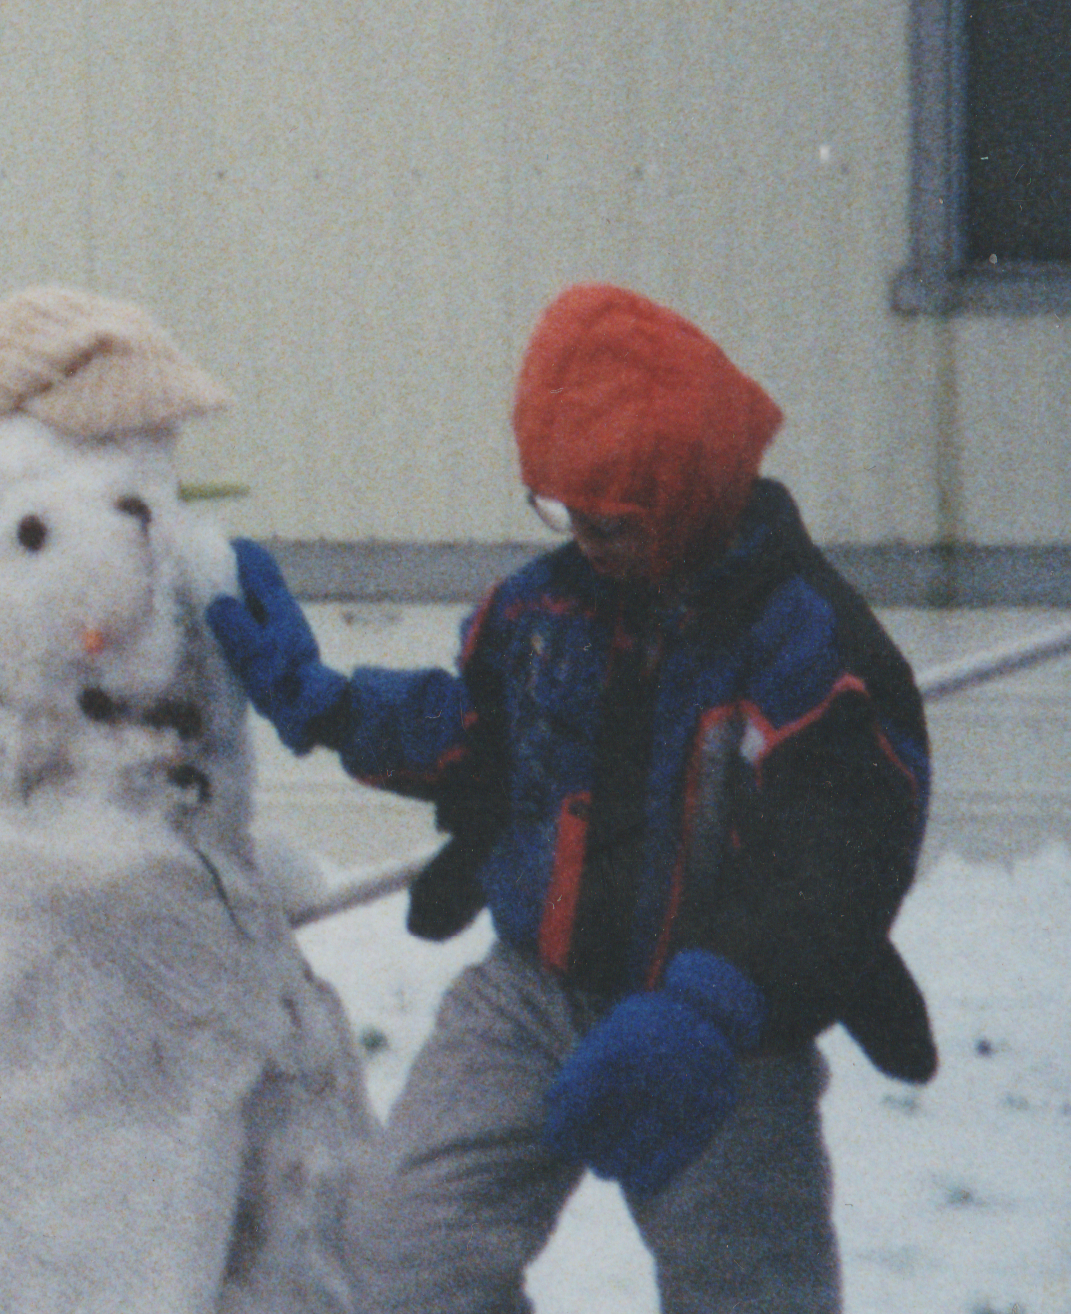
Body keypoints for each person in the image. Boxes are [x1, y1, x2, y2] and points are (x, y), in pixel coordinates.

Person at [204, 282, 934, 1314]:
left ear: (691, 493)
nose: (584, 539)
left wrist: (714, 1004)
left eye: (614, 521)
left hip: (720, 1026)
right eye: (560, 510)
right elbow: (475, 741)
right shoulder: (541, 610)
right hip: (531, 996)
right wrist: (325, 706)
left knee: (749, 1291)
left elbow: (840, 859)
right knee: (397, 1252)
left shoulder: (810, 646)